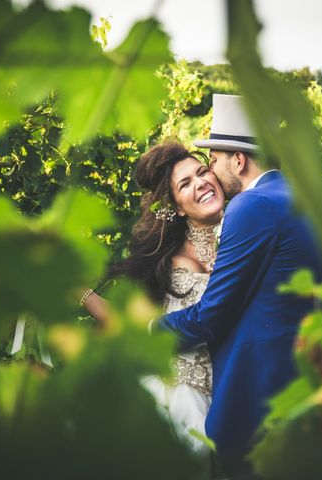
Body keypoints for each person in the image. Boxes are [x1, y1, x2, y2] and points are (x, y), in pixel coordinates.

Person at [157, 94, 322, 478]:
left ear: (239, 159)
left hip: (259, 401)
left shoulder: (251, 207)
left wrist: (154, 329)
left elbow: (212, 316)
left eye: (214, 160)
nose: (212, 172)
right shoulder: (311, 202)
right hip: (309, 389)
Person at [81, 142, 225, 460]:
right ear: (176, 208)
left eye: (202, 172)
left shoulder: (238, 238)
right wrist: (81, 294)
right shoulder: (163, 260)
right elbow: (128, 323)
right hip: (177, 398)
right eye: (185, 183)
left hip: (224, 398)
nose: (200, 182)